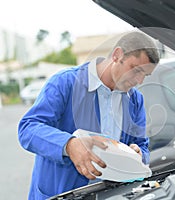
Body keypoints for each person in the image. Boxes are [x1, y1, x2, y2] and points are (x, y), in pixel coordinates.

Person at [18, 31, 160, 200]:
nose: (139, 81)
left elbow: (142, 146)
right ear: (117, 55)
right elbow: (28, 128)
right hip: (58, 194)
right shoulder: (65, 83)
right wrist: (70, 145)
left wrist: (138, 154)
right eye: (136, 70)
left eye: (145, 75)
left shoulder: (135, 100)